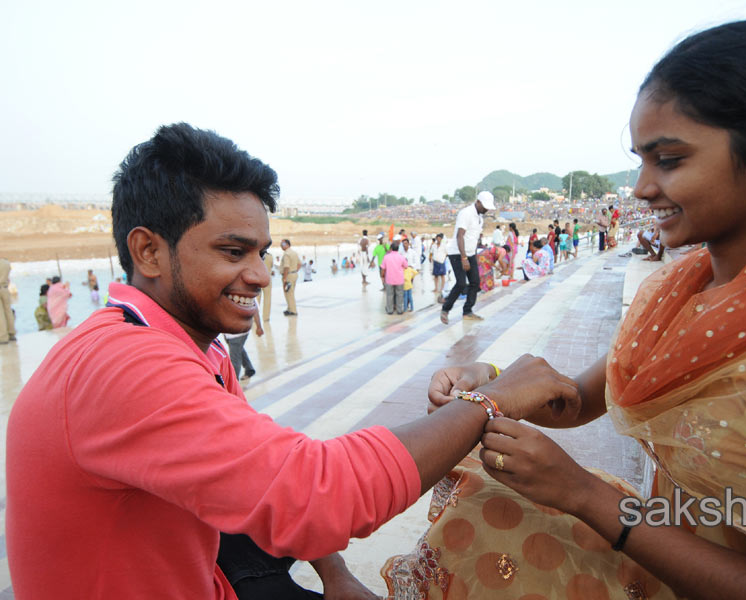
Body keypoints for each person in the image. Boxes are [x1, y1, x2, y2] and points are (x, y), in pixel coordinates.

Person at [400, 18, 746, 600]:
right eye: (640, 160)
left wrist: (585, 495)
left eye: (668, 160)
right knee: (488, 503)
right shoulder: (677, 290)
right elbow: (583, 399)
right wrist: (492, 381)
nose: (640, 187)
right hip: (665, 549)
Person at [6, 122, 582, 599]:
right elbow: (316, 493)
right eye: (232, 252)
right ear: (148, 250)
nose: (257, 274)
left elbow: (269, 471)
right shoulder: (122, 364)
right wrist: (490, 401)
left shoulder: (190, 346)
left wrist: (335, 574)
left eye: (260, 251)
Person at [440, 190, 494, 324]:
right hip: (457, 253)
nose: (487, 209)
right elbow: (460, 236)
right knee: (461, 283)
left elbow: (473, 238)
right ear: (478, 202)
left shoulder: (479, 217)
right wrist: (464, 258)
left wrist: (473, 255)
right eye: (485, 206)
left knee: (475, 282)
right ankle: (445, 309)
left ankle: (467, 311)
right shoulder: (466, 213)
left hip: (470, 253)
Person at [224, 306, 263, 381]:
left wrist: (259, 327)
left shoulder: (244, 295)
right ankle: (249, 369)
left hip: (238, 332)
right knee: (238, 350)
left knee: (235, 358)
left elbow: (254, 309)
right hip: (229, 332)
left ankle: (233, 383)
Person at [381, 241, 408, 315]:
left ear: (391, 248)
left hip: (389, 279)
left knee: (389, 295)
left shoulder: (386, 257)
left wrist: (382, 277)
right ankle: (399, 310)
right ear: (398, 249)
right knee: (399, 295)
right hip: (399, 279)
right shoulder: (401, 257)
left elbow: (383, 268)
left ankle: (390, 310)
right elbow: (406, 266)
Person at [279, 239, 300, 316]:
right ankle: (289, 308)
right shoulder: (294, 252)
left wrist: (285, 278)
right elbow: (299, 264)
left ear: (287, 244)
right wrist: (294, 271)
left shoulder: (287, 254)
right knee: (291, 292)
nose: (281, 246)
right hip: (294, 274)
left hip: (288, 275)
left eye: (282, 244)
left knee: (288, 293)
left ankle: (293, 311)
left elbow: (286, 267)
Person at [0, 256, 15, 343]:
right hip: (5, 288)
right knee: (8, 311)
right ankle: (11, 333)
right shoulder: (6, 263)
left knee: (0, 314)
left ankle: (3, 336)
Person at [430, 232, 448, 297]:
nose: (438, 239)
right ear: (436, 239)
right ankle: (436, 288)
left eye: (440, 238)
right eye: (437, 238)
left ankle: (442, 288)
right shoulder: (433, 245)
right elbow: (431, 252)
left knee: (442, 275)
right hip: (435, 261)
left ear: (441, 239)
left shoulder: (444, 245)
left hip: (441, 262)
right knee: (435, 276)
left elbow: (447, 253)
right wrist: (430, 258)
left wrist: (443, 259)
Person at [260, 250, 274, 321]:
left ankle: (254, 317)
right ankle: (266, 317)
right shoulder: (270, 256)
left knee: (256, 299)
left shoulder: (257, 255)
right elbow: (271, 266)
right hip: (267, 278)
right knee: (267, 298)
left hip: (258, 278)